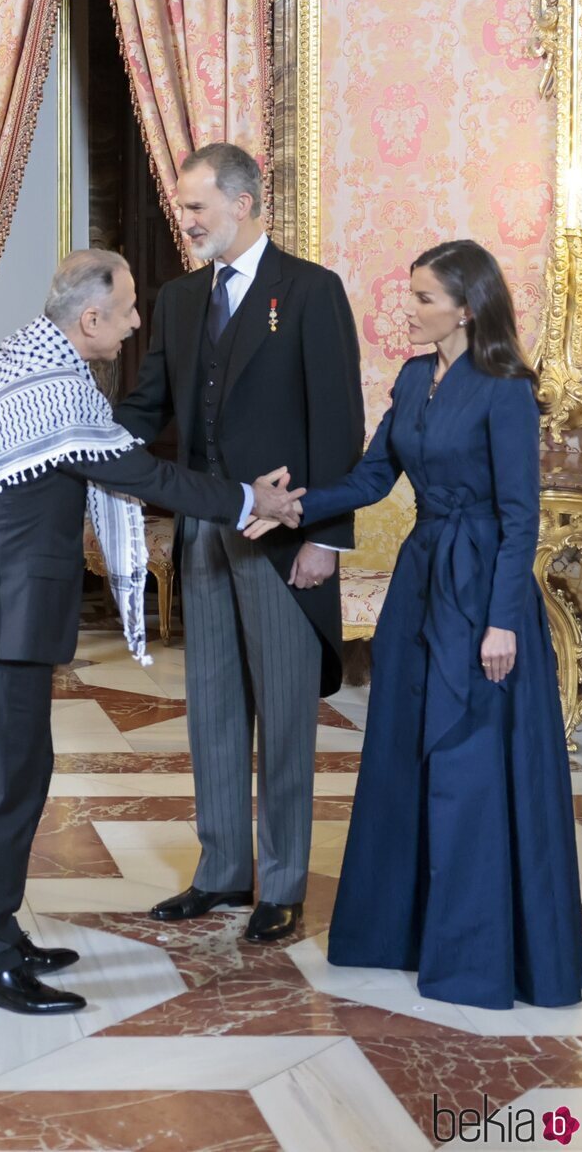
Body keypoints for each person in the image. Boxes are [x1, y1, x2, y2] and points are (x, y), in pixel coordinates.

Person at [0, 249, 300, 1015]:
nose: (138, 324)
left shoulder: (32, 365)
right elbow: (141, 475)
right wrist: (243, 498)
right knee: (7, 787)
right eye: (130, 309)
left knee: (23, 777)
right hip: (4, 610)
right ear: (89, 318)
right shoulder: (56, 389)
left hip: (0, 603)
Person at [260, 239, 582, 1010]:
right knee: (405, 754)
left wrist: (503, 623)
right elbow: (376, 476)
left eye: (423, 299)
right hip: (421, 583)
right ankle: (396, 934)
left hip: (483, 594)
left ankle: (476, 957)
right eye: (407, 296)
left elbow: (520, 518)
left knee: (471, 766)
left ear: (467, 308)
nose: (406, 310)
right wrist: (293, 507)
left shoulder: (506, 389)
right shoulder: (412, 380)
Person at [113, 142, 364, 943]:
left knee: (286, 716)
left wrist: (325, 536)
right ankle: (222, 870)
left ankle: (282, 882)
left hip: (286, 540)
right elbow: (145, 408)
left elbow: (339, 422)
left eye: (196, 208)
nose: (184, 221)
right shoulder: (181, 299)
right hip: (203, 529)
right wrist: (69, 439)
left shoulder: (312, 291)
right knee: (212, 710)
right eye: (182, 209)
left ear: (245, 203)